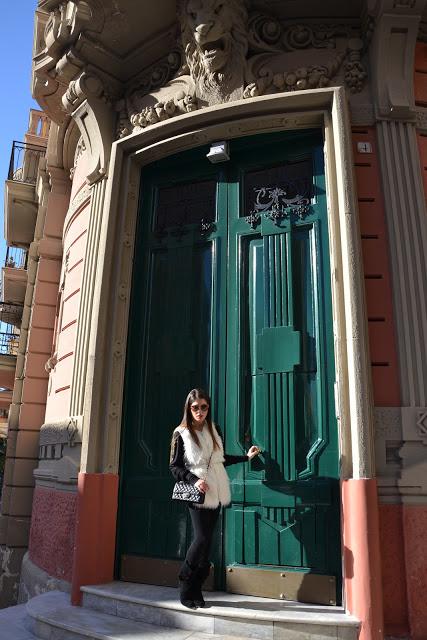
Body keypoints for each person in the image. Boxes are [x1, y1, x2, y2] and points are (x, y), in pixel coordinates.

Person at [169, 388, 260, 609]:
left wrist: (245, 458)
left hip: (216, 488)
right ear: (188, 409)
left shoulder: (214, 429)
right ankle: (185, 581)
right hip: (198, 491)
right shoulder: (181, 433)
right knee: (200, 538)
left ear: (208, 408)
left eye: (204, 407)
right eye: (195, 407)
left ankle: (196, 589)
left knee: (207, 543)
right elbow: (174, 466)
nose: (200, 411)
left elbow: (220, 459)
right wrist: (194, 480)